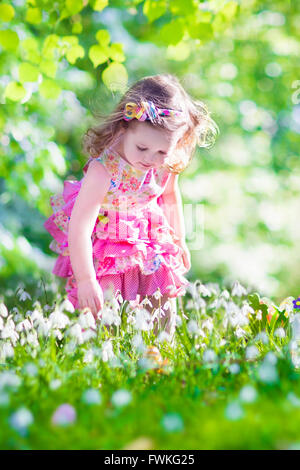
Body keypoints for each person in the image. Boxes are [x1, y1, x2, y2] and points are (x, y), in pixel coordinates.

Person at [44, 73, 218, 340]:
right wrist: (86, 280)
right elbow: (79, 229)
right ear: (123, 129)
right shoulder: (104, 170)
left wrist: (179, 238)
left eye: (161, 152)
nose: (151, 159)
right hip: (107, 238)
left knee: (162, 294)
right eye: (142, 147)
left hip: (148, 233)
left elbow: (170, 197)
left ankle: (160, 354)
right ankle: (104, 354)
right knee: (106, 306)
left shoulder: (167, 163)